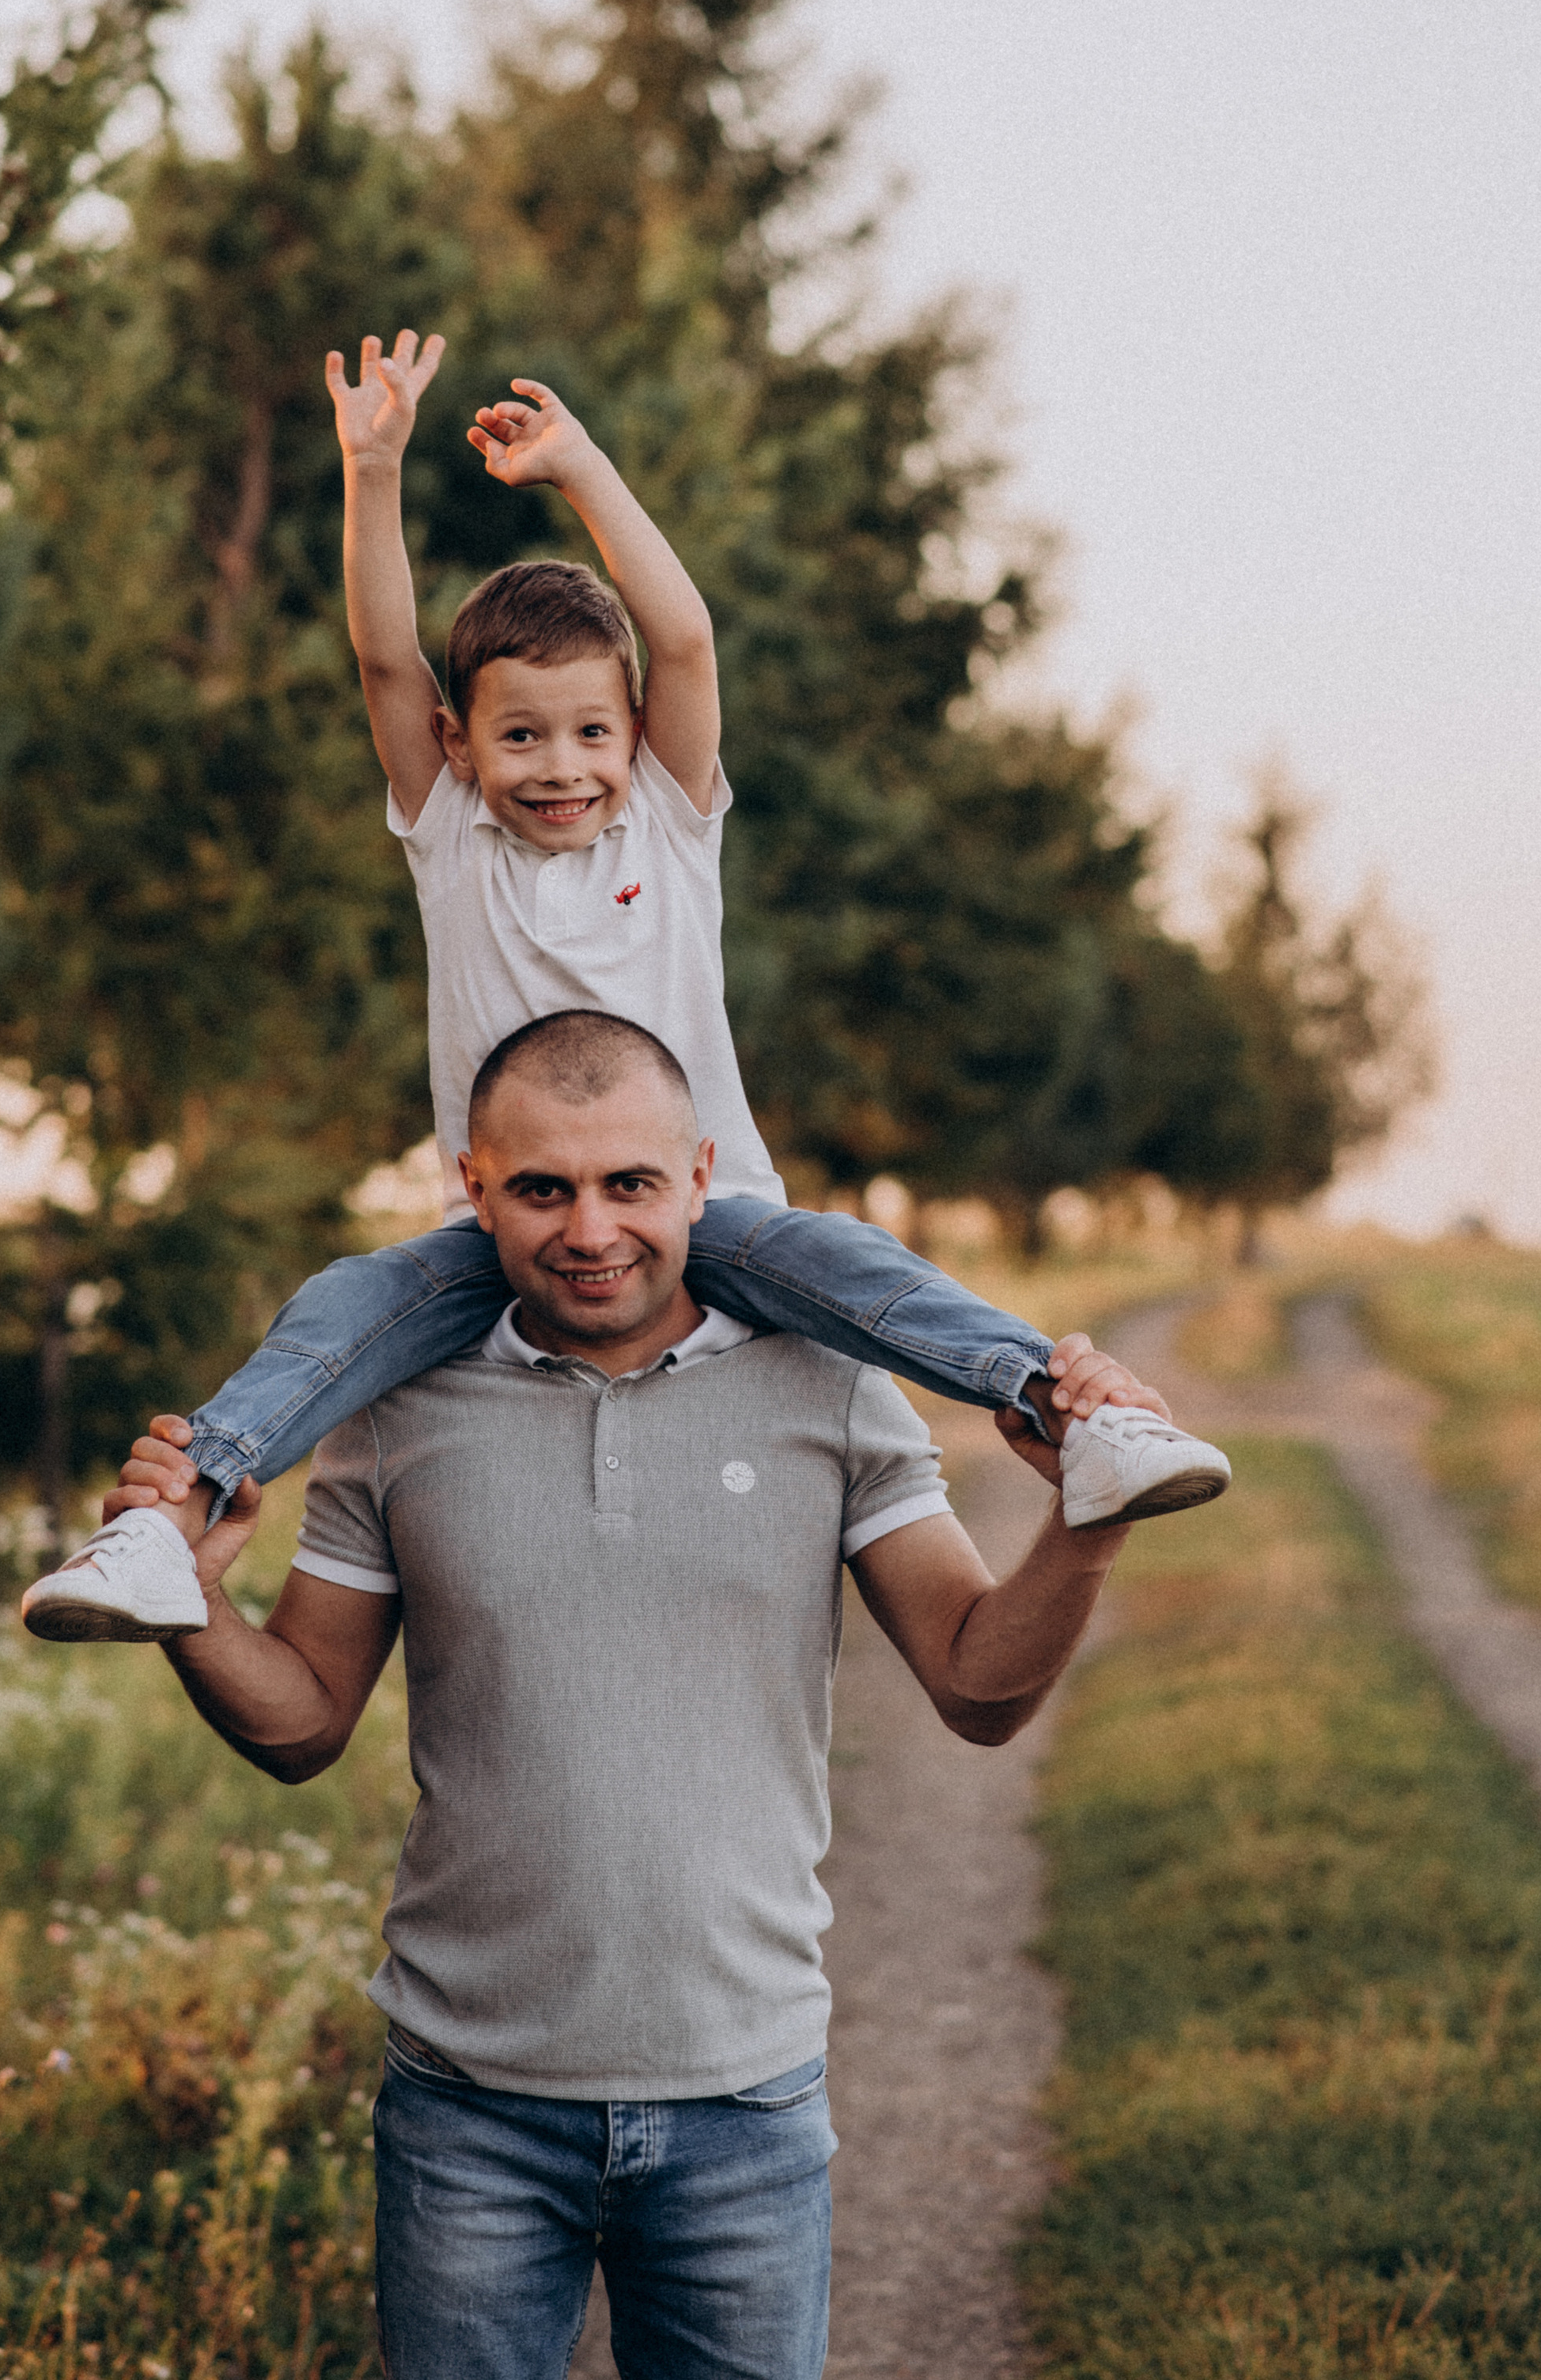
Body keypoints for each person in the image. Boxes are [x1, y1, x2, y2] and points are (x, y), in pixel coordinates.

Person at [23, 334, 1227, 1644]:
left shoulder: (665, 822)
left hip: (710, 1218)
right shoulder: (453, 841)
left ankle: (1073, 1419)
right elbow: (381, 660)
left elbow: (686, 639)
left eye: (593, 730)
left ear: (636, 737)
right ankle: (167, 1524)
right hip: (502, 1232)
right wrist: (373, 470)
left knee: (855, 1268)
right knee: (341, 1308)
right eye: (521, 734)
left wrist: (582, 468)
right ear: (458, 742)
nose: (561, 765)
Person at [113, 1012, 1168, 2380]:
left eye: (630, 1184)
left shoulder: (831, 1385)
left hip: (746, 2106)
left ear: (700, 1180)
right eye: (544, 1188)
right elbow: (305, 1720)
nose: (590, 1229)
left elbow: (977, 1685)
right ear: (473, 1185)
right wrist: (190, 1601)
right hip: (468, 2113)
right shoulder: (398, 1409)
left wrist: (1090, 1521)